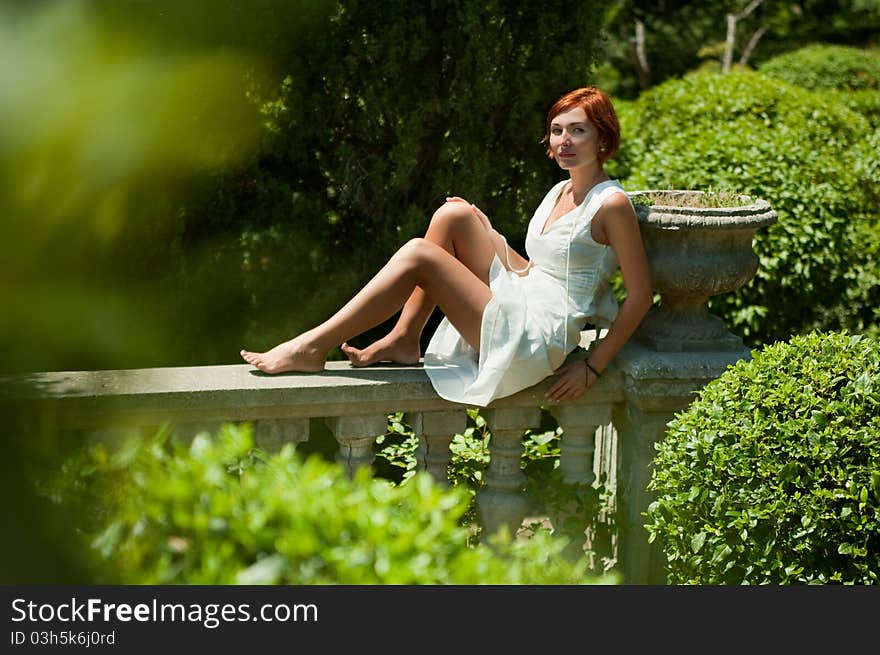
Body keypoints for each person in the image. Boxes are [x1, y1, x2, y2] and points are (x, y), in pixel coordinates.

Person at [240, 86, 653, 406]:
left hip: (539, 335)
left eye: (578, 130)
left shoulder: (611, 203)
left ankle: (312, 346)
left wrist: (593, 369)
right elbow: (535, 270)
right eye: (557, 130)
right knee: (454, 215)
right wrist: (487, 233)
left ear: (602, 138)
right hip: (528, 298)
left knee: (419, 254)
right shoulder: (561, 190)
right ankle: (405, 336)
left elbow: (639, 296)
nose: (564, 140)